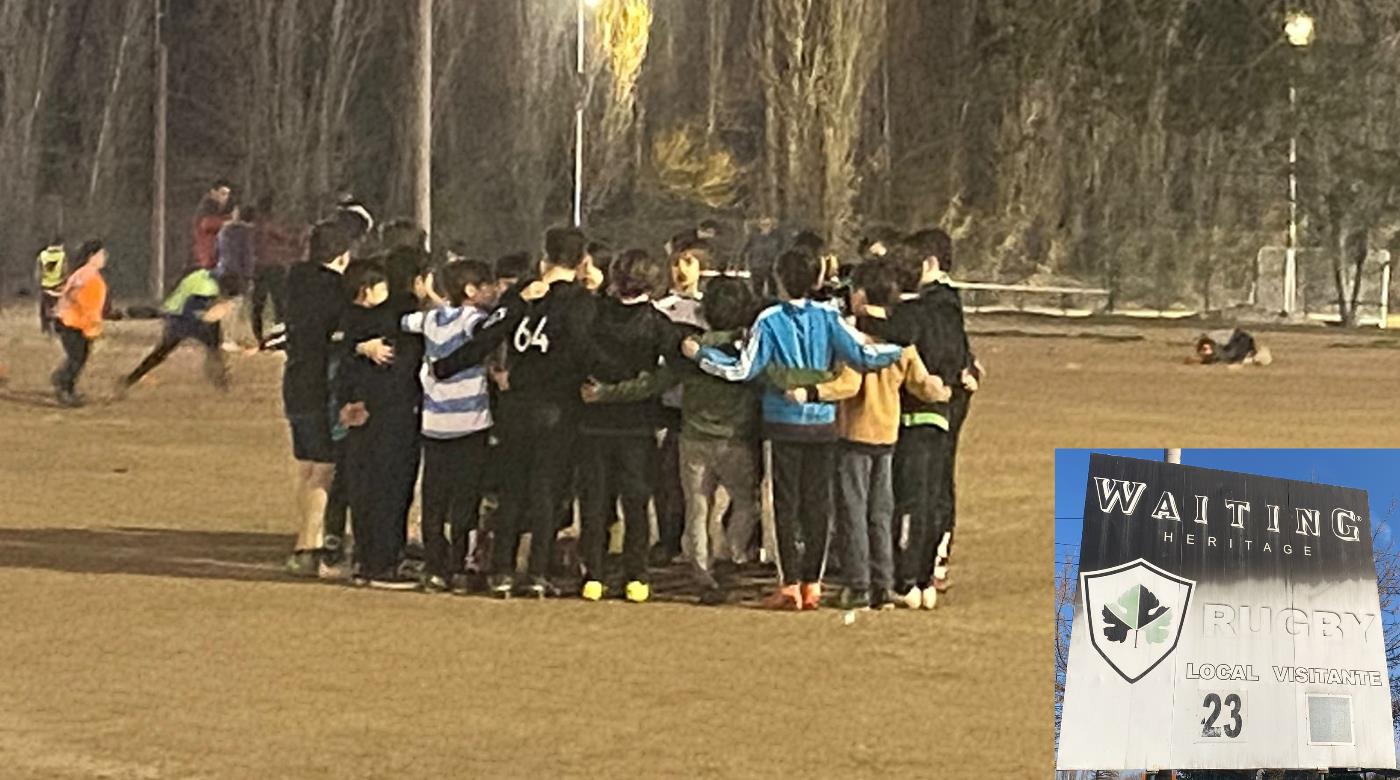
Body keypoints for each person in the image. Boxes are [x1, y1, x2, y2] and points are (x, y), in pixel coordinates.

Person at [682, 248, 904, 610]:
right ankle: (813, 585)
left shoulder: (769, 320)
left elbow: (743, 369)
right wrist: (898, 349)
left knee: (785, 506)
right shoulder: (830, 317)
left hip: (783, 424)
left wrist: (702, 356)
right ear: (817, 279)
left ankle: (789, 585)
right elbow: (863, 356)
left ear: (779, 279)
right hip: (823, 424)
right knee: (817, 505)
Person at [431, 227, 617, 599]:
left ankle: (502, 569)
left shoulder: (521, 294)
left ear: (544, 257)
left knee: (513, 489)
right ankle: (535, 572)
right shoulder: (580, 302)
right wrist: (616, 374)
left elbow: (488, 334)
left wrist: (446, 366)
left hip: (515, 409)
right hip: (556, 409)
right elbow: (577, 351)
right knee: (546, 491)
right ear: (582, 262)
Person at [585, 277, 763, 605]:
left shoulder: (690, 348)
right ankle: (733, 553)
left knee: (697, 508)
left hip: (692, 438)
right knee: (746, 502)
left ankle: (702, 571)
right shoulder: (749, 346)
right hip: (736, 439)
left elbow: (652, 384)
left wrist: (607, 393)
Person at [787, 261, 949, 611]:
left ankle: (858, 586)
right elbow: (921, 383)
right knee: (881, 513)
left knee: (853, 514)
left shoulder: (853, 336)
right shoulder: (902, 338)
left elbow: (847, 384)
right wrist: (943, 391)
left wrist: (810, 392)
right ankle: (884, 584)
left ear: (860, 294)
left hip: (855, 434)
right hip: (888, 434)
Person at [571, 249, 679, 604]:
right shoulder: (658, 322)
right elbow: (671, 369)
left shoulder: (593, 314)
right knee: (636, 504)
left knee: (595, 504)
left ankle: (594, 575)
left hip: (592, 423)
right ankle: (637, 576)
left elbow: (578, 352)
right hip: (637, 425)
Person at [888, 229, 981, 607]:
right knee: (931, 492)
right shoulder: (949, 309)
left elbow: (907, 360)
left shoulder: (915, 314)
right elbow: (957, 359)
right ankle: (926, 575)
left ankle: (907, 577)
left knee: (910, 497)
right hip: (941, 411)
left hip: (913, 414)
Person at [400, 259, 498, 592]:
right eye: (486, 286)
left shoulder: (430, 320)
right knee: (465, 501)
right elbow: (485, 332)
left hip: (434, 424)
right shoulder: (475, 319)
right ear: (472, 291)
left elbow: (403, 322)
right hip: (470, 424)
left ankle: (434, 567)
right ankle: (460, 566)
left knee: (434, 500)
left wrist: (429, 297)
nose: (493, 291)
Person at [281, 220, 359, 577]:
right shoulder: (337, 289)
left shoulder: (294, 280)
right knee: (325, 469)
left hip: (295, 379)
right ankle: (308, 545)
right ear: (343, 254)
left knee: (308, 464)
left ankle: (307, 540)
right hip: (323, 384)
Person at [335, 260, 417, 589]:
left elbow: (341, 364)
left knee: (363, 487)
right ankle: (382, 564)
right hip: (390, 417)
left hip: (359, 415)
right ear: (367, 290)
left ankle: (365, 560)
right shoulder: (395, 321)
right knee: (390, 489)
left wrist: (346, 402)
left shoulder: (346, 324)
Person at [648, 238, 709, 566]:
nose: (681, 270)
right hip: (668, 404)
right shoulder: (660, 309)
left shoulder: (707, 310)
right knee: (667, 474)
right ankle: (667, 538)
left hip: (698, 405)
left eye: (688, 262)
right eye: (676, 263)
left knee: (695, 481)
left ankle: (693, 539)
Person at [120, 266, 235, 394]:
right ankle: (220, 380)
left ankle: (129, 380)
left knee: (161, 353)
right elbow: (192, 311)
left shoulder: (204, 275)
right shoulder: (208, 289)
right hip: (181, 318)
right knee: (212, 344)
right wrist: (209, 316)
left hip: (177, 313)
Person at [51, 240, 109, 408]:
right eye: (101, 254)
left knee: (79, 357)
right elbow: (75, 294)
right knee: (77, 358)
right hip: (70, 321)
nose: (104, 258)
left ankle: (67, 386)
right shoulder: (87, 274)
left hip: (76, 322)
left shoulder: (88, 273)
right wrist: (89, 315)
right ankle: (62, 385)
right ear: (92, 256)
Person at [250, 194, 301, 347]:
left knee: (258, 303)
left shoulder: (255, 225)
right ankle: (279, 338)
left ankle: (258, 337)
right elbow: (287, 238)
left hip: (259, 267)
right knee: (279, 303)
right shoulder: (269, 224)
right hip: (274, 266)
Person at [215, 204, 258, 351]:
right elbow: (246, 256)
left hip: (223, 270)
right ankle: (229, 339)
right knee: (235, 306)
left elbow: (218, 250)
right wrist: (249, 276)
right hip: (236, 272)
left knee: (224, 304)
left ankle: (223, 337)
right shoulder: (244, 233)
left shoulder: (224, 230)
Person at [193, 179, 233, 269]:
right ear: (213, 192)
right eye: (223, 193)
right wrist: (227, 222)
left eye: (227, 194)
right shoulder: (206, 207)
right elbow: (207, 224)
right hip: (207, 256)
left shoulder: (221, 209)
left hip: (215, 255)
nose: (225, 197)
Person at [741, 216, 783, 298]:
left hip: (772, 266)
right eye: (763, 224)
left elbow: (781, 250)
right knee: (757, 290)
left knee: (773, 290)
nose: (765, 226)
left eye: (767, 224)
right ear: (759, 226)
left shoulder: (777, 237)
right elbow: (745, 249)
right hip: (757, 266)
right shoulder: (754, 237)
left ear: (771, 225)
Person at [36, 237, 66, 335]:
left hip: (45, 285)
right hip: (58, 286)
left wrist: (39, 283)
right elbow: (64, 271)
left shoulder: (42, 255)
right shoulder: (62, 256)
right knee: (59, 308)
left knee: (44, 308)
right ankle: (58, 329)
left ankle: (45, 329)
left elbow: (39, 272)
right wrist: (64, 284)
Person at [1192, 329, 1271, 366]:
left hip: (1221, 342)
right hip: (1221, 343)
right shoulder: (1244, 348)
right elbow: (1229, 356)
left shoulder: (1247, 345)